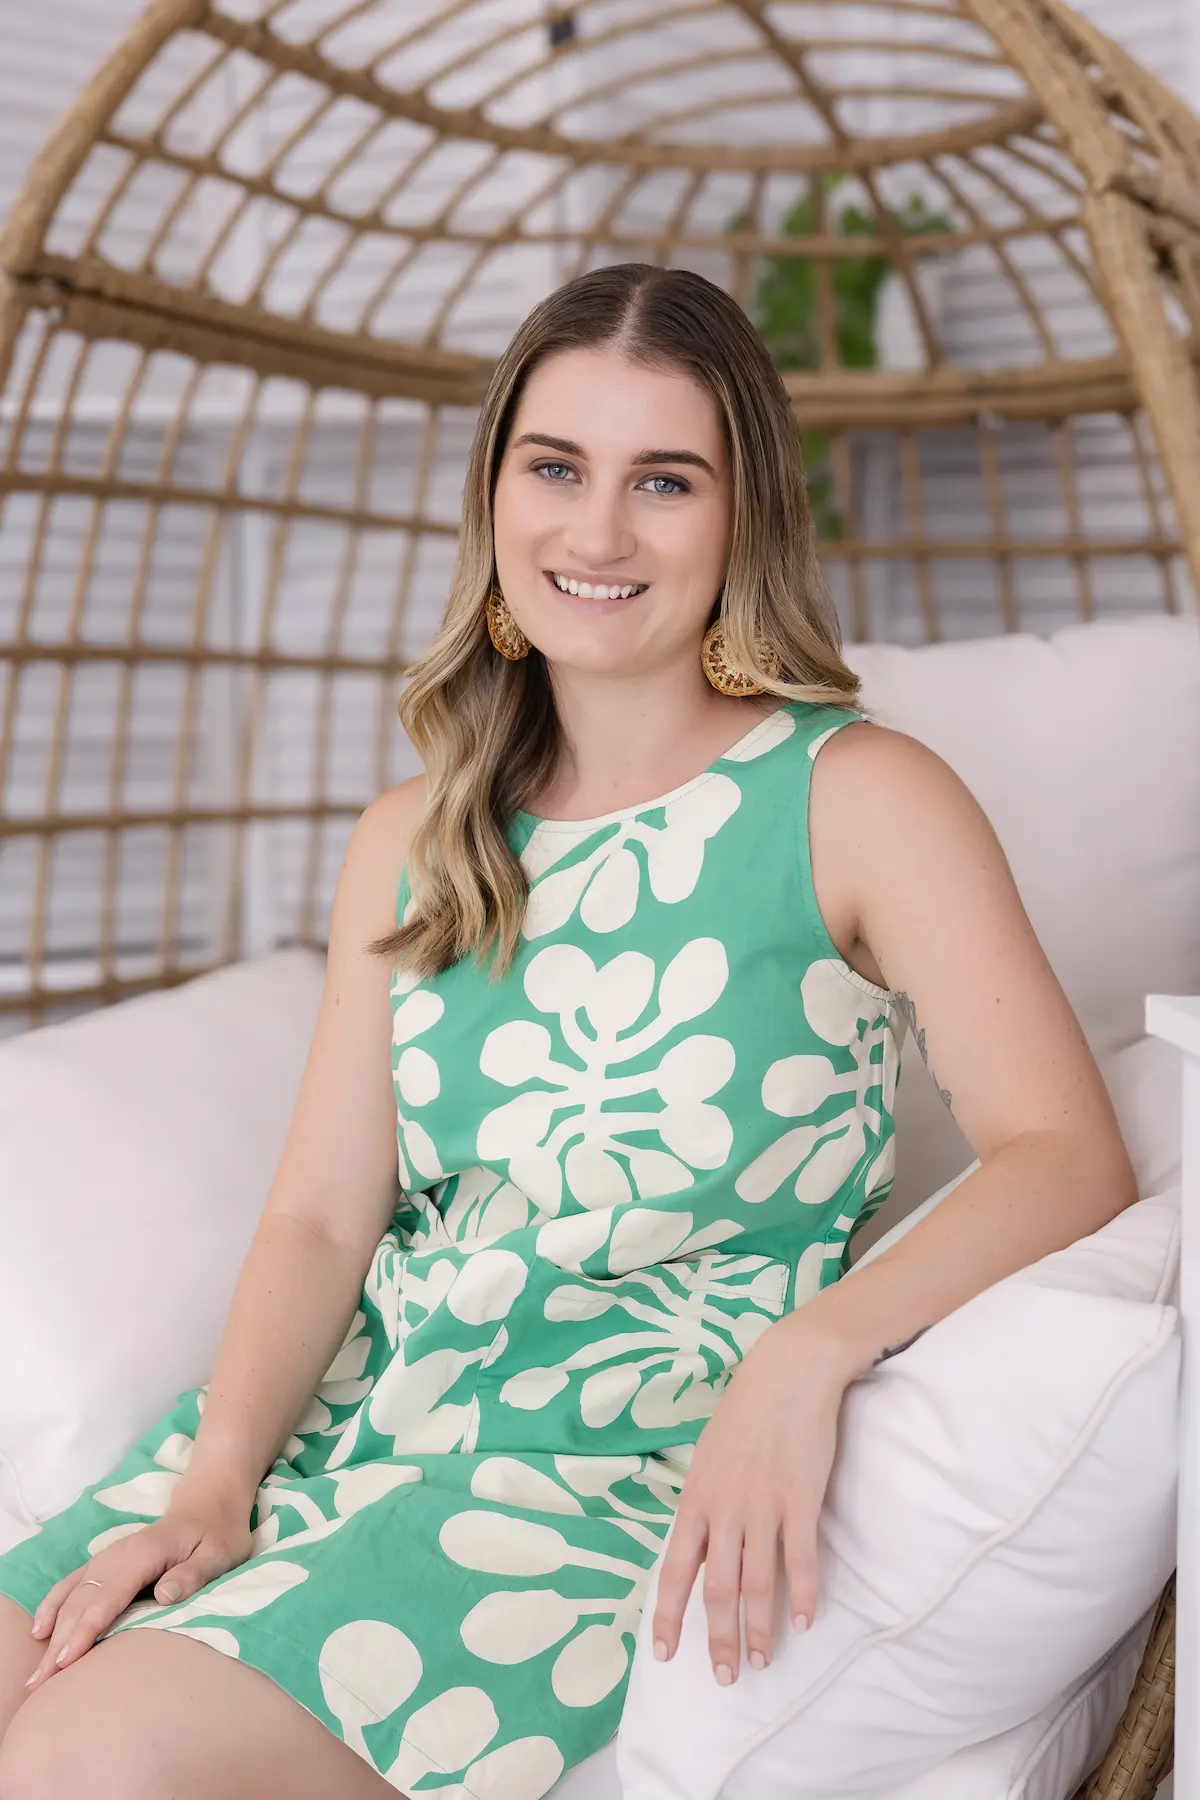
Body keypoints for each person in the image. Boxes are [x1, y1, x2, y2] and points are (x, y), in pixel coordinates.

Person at [0, 262, 1135, 1799]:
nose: (596, 534)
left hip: (579, 1488)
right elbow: (330, 1217)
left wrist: (810, 1355)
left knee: (81, 1758)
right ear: (495, 503)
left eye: (662, 480)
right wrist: (219, 1480)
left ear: (743, 518)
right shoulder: (416, 832)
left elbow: (1065, 1153)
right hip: (347, 1424)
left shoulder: (859, 797)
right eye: (556, 469)